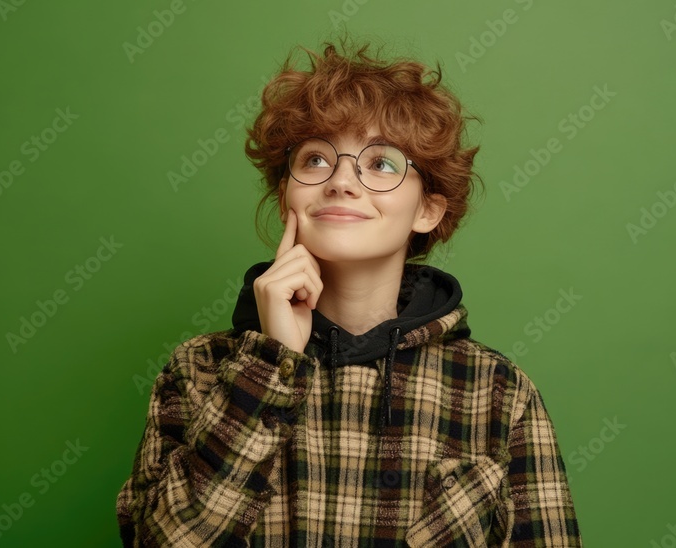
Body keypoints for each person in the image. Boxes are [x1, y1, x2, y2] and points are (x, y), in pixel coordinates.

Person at [117, 39, 582, 547]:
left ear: (427, 210)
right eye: (316, 159)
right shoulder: (199, 369)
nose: (341, 181)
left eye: (381, 163)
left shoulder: (498, 392)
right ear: (285, 197)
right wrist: (270, 365)